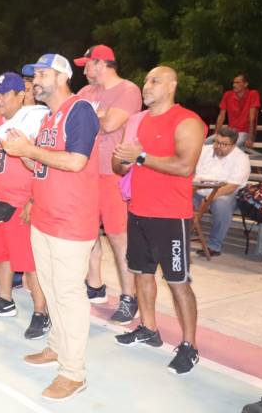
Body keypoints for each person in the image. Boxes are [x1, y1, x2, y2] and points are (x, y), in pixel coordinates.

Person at [3, 54, 99, 401]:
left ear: (61, 77)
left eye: (42, 74)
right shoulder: (49, 118)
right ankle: (58, 347)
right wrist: (21, 151)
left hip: (71, 220)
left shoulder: (80, 111)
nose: (35, 81)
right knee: (51, 288)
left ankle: (74, 373)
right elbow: (43, 165)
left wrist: (30, 149)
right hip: (45, 217)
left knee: (69, 294)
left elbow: (76, 161)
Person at [112, 66, 206, 375]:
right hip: (138, 210)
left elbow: (184, 166)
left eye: (154, 81)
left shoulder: (188, 121)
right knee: (141, 274)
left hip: (171, 217)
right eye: (146, 80)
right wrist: (122, 158)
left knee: (178, 283)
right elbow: (121, 165)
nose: (146, 85)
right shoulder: (140, 122)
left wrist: (139, 156)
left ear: (172, 85)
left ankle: (189, 346)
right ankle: (149, 329)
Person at [0, 72, 51, 340]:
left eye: (5, 93)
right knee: (1, 255)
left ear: (21, 95)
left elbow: (41, 164)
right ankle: (4, 299)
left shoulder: (35, 121)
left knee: (29, 263)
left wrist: (33, 199)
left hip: (20, 201)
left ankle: (42, 312)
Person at [73, 45, 143, 324]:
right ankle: (95, 285)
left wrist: (86, 122)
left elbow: (112, 123)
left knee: (118, 236)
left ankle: (129, 297)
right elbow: (71, 120)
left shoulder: (128, 90)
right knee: (88, 234)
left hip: (113, 174)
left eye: (87, 64)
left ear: (101, 64)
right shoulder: (86, 93)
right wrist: (93, 121)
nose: (84, 70)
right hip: (85, 172)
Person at [193, 126, 251, 256]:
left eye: (224, 144)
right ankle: (178, 236)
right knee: (181, 198)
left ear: (233, 145)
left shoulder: (241, 158)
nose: (218, 146)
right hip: (199, 189)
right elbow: (191, 172)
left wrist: (208, 199)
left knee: (221, 204)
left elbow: (231, 187)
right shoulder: (204, 151)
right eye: (217, 142)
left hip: (226, 193)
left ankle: (214, 245)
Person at [212, 73, 261, 148]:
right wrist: (216, 135)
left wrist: (251, 139)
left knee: (231, 146)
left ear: (246, 84)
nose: (234, 85)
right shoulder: (228, 95)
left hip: (244, 132)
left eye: (237, 82)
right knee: (205, 143)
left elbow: (253, 118)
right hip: (230, 132)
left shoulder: (253, 94)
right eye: (233, 83)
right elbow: (221, 116)